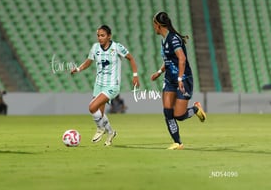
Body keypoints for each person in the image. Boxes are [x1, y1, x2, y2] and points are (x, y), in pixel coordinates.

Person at [71, 25, 140, 146]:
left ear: (109, 36)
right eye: (98, 35)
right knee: (100, 113)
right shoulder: (95, 47)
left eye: (102, 35)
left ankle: (100, 129)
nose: (99, 38)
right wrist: (78, 69)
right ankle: (111, 132)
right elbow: (88, 61)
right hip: (99, 84)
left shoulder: (117, 47)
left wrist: (135, 75)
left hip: (112, 85)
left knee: (92, 107)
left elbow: (131, 58)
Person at [150, 11, 206, 150]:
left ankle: (196, 109)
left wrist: (180, 78)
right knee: (167, 112)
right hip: (169, 80)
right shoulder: (164, 40)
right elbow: (169, 61)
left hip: (184, 79)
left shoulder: (174, 39)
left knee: (179, 115)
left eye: (154, 24)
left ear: (158, 25)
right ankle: (178, 143)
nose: (153, 27)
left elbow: (182, 59)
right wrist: (159, 72)